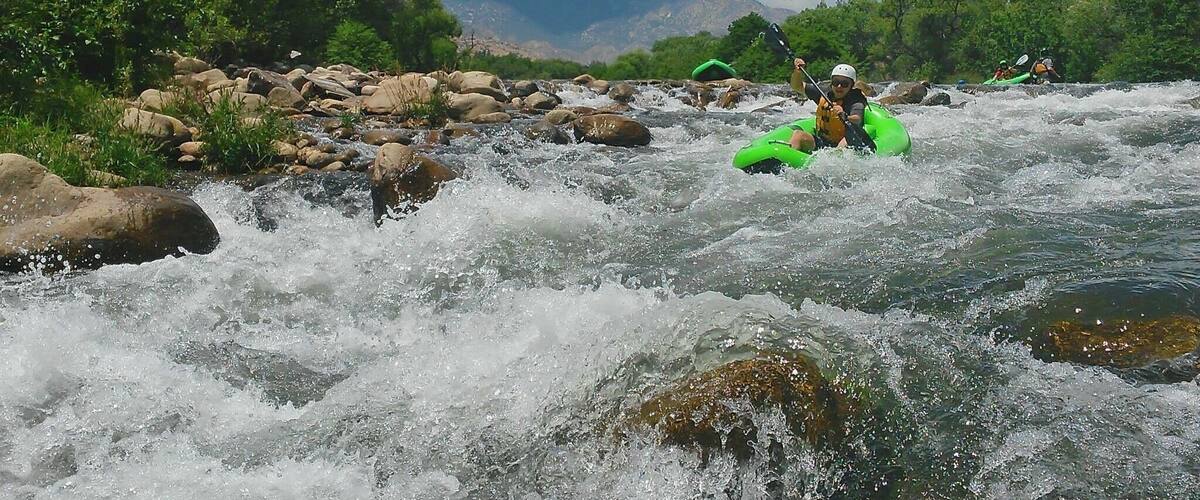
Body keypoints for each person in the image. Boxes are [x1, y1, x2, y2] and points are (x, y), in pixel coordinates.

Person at [788, 58, 869, 152]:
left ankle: (835, 160)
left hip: (846, 141)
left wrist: (845, 116)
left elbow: (857, 119)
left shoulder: (856, 99)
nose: (839, 86)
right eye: (836, 82)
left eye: (844, 83)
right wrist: (797, 72)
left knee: (843, 144)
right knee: (798, 135)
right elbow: (797, 86)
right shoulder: (824, 93)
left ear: (851, 85)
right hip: (823, 141)